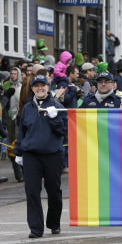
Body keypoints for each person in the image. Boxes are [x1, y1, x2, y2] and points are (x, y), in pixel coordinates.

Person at [13, 74, 66, 238]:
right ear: (32, 88)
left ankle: (54, 223)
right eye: (36, 86)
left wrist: (55, 117)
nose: (39, 88)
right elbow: (22, 131)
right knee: (32, 192)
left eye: (43, 85)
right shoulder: (28, 108)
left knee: (53, 191)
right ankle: (36, 228)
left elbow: (63, 132)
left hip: (52, 155)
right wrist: (18, 152)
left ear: (48, 87)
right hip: (31, 156)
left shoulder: (56, 106)